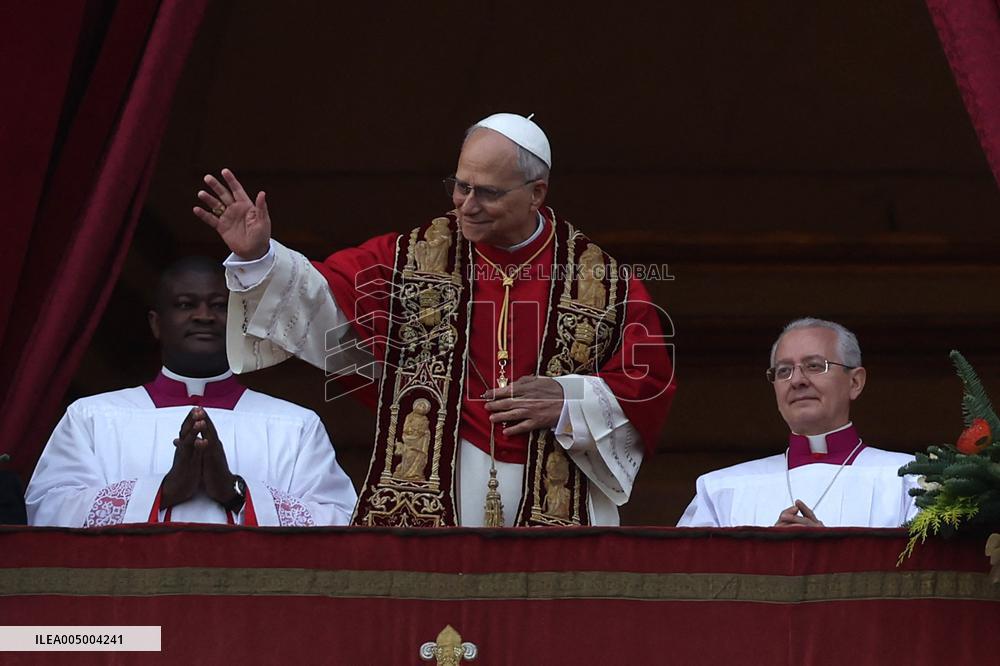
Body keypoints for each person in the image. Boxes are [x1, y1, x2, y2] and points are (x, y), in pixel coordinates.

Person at [193, 113, 676, 527]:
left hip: (557, 499)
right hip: (431, 488)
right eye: (460, 186)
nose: (465, 204)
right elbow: (326, 306)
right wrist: (259, 256)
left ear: (536, 193)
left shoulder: (602, 281)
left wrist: (572, 401)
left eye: (486, 192)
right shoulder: (411, 257)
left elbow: (648, 382)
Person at [25, 257, 356, 527]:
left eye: (219, 305)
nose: (204, 316)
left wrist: (235, 492)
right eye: (185, 304)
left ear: (240, 323)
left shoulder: (295, 426)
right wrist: (162, 491)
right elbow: (50, 512)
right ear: (156, 323)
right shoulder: (91, 418)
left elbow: (340, 522)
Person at [677, 317, 918, 528]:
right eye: (784, 371)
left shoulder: (912, 481)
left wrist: (829, 553)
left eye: (814, 366)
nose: (797, 380)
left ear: (855, 382)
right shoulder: (720, 490)